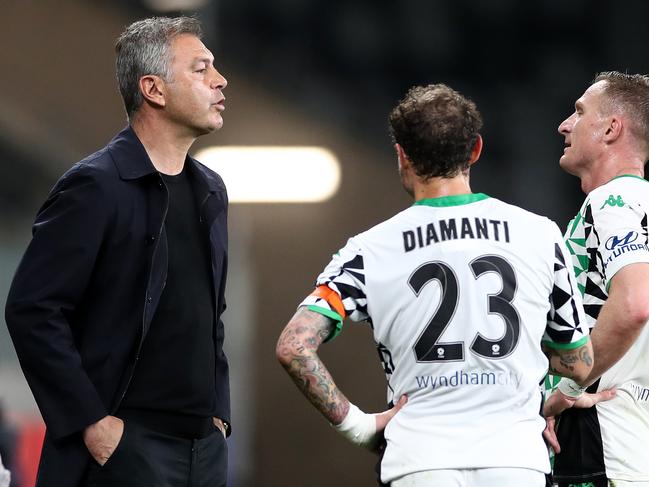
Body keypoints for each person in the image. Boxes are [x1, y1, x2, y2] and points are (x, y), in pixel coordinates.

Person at [276, 83, 594, 487]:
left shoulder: (369, 250)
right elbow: (580, 361)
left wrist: (358, 426)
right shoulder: (540, 235)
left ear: (402, 155)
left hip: (419, 460)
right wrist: (551, 401)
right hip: (515, 458)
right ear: (475, 150)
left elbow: (293, 346)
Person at [5, 16, 231, 487]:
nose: (220, 80)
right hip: (124, 449)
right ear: (154, 89)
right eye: (200, 68)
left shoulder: (210, 189)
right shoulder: (95, 185)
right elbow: (32, 310)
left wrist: (219, 415)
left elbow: (211, 316)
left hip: (203, 451)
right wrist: (94, 426)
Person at [544, 71, 649, 487]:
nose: (564, 125)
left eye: (579, 112)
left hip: (600, 435)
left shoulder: (613, 201)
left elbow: (635, 303)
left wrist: (566, 388)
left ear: (611, 129)